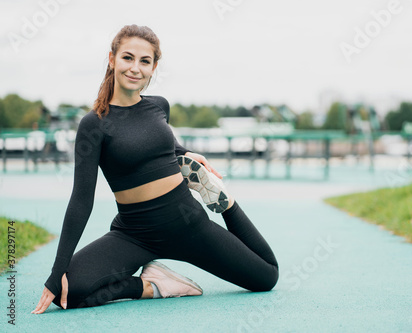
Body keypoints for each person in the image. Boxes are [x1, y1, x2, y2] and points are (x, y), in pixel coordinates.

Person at [32, 24, 279, 313]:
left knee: (266, 277)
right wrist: (56, 270)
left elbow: (161, 148)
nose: (135, 68)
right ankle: (155, 285)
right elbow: (81, 199)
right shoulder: (93, 124)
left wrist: (186, 154)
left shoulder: (158, 107)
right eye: (128, 58)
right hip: (133, 233)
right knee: (67, 295)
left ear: (154, 67)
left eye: (144, 61)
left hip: (188, 224)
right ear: (111, 59)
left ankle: (224, 201)